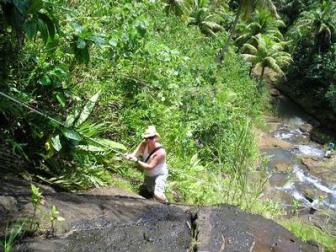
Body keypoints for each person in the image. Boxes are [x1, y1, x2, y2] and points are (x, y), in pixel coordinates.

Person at [125, 125, 168, 203]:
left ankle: (167, 204)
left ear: (155, 138)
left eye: (151, 138)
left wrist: (137, 161)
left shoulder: (160, 152)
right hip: (148, 174)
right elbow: (134, 154)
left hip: (159, 174)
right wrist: (128, 156)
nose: (148, 140)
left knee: (157, 194)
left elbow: (150, 166)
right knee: (147, 192)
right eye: (146, 138)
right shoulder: (143, 144)